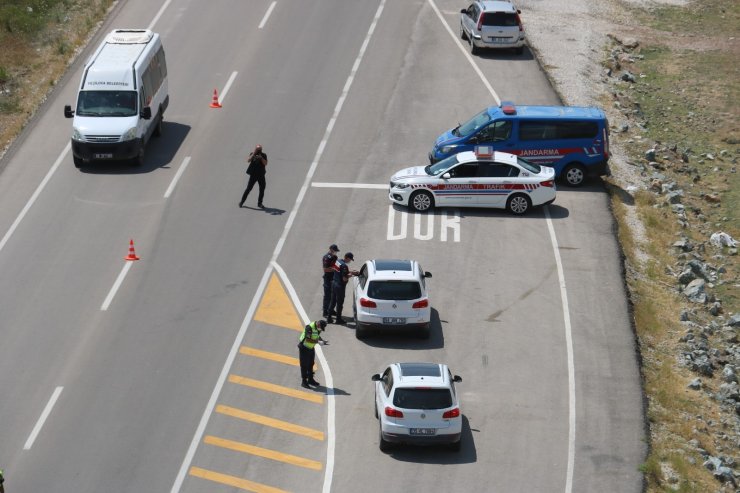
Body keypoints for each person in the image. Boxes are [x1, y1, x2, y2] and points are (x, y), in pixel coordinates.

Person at [327, 252, 358, 325]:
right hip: (340, 286)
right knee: (340, 303)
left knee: (333, 301)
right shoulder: (344, 266)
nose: (350, 261)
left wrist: (351, 272)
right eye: (350, 259)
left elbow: (339, 271)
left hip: (334, 283)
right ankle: (338, 319)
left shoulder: (338, 261)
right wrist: (351, 275)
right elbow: (344, 278)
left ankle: (329, 318)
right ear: (347, 258)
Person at [298, 320, 327, 388]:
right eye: (321, 328)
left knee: (311, 364)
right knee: (304, 365)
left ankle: (310, 379)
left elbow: (317, 336)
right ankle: (304, 381)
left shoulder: (318, 328)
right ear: (318, 324)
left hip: (311, 348)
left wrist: (322, 340)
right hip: (304, 348)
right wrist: (317, 342)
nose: (321, 330)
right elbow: (307, 339)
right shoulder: (309, 328)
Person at [322, 244, 340, 317]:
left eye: (336, 251)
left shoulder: (335, 257)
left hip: (334, 278)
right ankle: (325, 311)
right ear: (331, 250)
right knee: (327, 296)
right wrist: (335, 269)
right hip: (328, 279)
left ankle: (331, 310)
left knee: (334, 296)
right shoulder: (326, 257)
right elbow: (325, 269)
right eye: (334, 251)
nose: (335, 252)